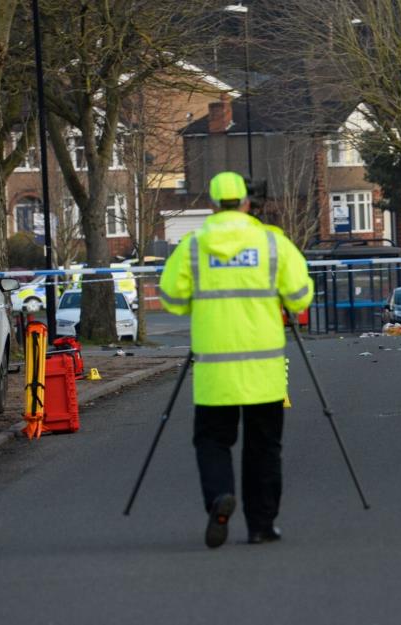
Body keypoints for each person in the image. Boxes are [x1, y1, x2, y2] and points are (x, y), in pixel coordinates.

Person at [159, 171, 313, 549]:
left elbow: (172, 300)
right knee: (264, 448)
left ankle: (219, 499)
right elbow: (300, 296)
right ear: (246, 202)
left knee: (212, 442)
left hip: (215, 371)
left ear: (212, 204)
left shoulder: (193, 247)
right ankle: (261, 526)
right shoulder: (272, 243)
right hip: (264, 370)